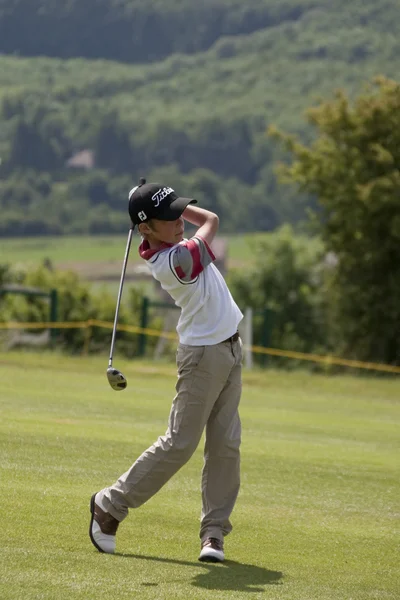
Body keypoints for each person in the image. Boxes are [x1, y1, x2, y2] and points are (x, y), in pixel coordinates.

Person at [89, 179, 243, 563]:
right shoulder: (175, 262)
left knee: (225, 447)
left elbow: (193, 220)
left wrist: (165, 204)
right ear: (145, 228)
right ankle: (109, 505)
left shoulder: (171, 244)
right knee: (179, 444)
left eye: (178, 213)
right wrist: (181, 208)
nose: (179, 221)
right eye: (169, 217)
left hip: (229, 348)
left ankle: (213, 535)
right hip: (203, 358)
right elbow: (211, 219)